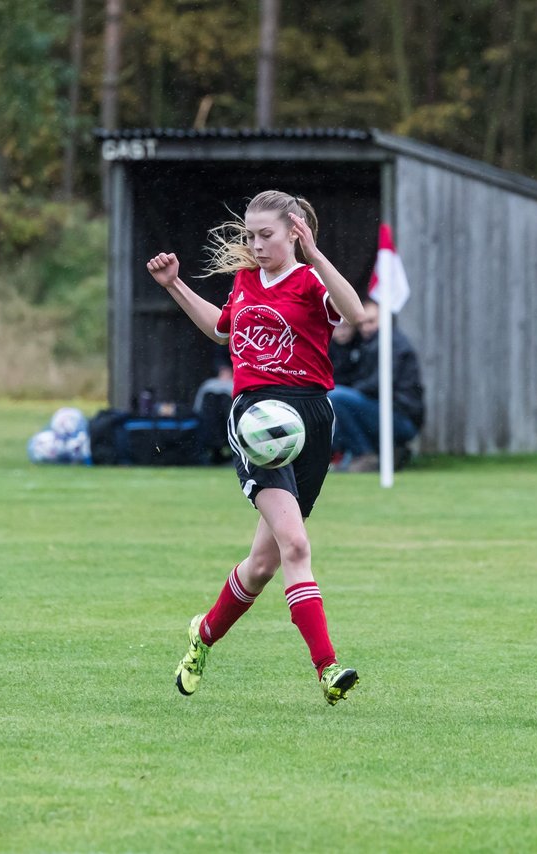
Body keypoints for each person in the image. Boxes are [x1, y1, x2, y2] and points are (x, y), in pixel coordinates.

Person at [146, 189, 367, 705]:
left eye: (266, 234)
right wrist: (174, 284)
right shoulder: (246, 280)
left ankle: (201, 638)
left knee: (263, 565)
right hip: (256, 419)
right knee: (296, 545)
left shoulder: (313, 281)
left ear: (295, 231)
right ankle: (327, 669)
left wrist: (316, 256)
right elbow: (222, 331)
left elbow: (355, 313)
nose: (255, 244)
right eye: (250, 235)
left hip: (310, 419)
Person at [327, 297, 425, 473]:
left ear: (385, 319)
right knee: (335, 404)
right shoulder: (366, 343)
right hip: (383, 411)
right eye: (362, 323)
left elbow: (379, 384)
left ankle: (365, 456)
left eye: (371, 321)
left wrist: (351, 392)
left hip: (401, 416)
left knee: (337, 397)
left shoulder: (391, 344)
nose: (366, 327)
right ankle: (387, 452)